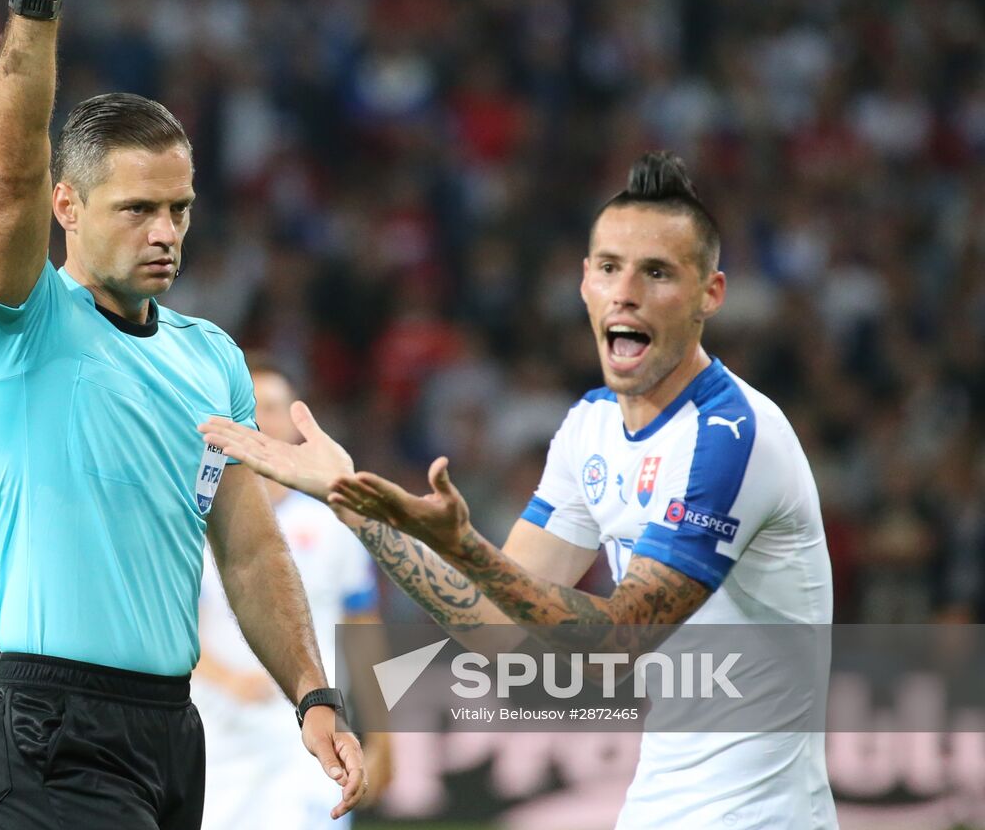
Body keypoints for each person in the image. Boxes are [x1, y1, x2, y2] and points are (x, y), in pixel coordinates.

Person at [203, 152, 838, 829]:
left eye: (657, 272)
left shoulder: (733, 436)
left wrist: (467, 548)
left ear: (710, 294)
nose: (626, 292)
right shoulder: (590, 427)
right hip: (661, 808)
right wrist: (355, 507)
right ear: (584, 283)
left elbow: (616, 647)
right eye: (609, 267)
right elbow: (493, 630)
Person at [0, 0, 363, 830]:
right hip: (48, 723)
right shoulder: (23, 324)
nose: (167, 231)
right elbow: (6, 181)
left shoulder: (211, 357)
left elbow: (252, 549)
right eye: (138, 208)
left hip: (168, 730)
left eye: (178, 207)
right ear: (69, 206)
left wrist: (311, 691)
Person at [194, 360, 394, 830]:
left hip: (311, 751)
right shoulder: (195, 519)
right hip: (221, 748)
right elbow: (166, 626)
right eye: (250, 408)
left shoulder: (334, 524)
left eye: (273, 407)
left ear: (294, 422)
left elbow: (363, 635)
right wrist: (226, 679)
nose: (262, 420)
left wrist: (385, 736)